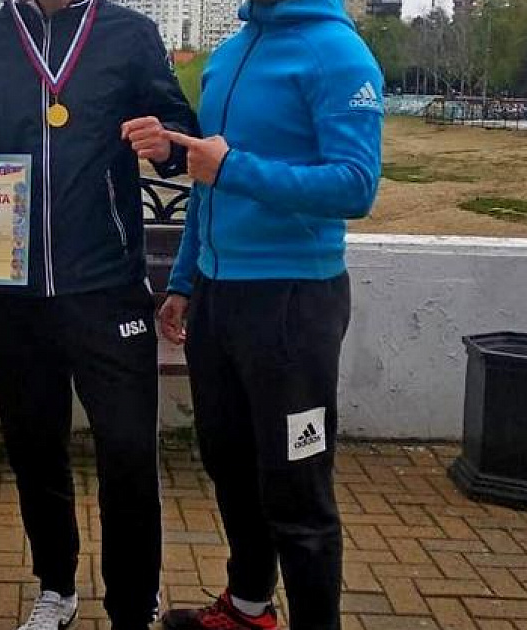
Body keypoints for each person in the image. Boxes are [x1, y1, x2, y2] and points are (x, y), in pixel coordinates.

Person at [0, 1, 198, 629]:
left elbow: (180, 133)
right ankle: (56, 587)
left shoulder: (131, 33)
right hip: (13, 294)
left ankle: (133, 602)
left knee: (127, 451)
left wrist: (165, 145)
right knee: (34, 449)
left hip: (108, 287)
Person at [156, 0, 384, 627]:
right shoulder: (229, 54)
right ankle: (248, 607)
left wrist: (234, 167)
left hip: (292, 302)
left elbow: (356, 184)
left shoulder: (338, 53)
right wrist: (184, 281)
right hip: (217, 295)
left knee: (297, 487)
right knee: (229, 465)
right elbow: (208, 185)